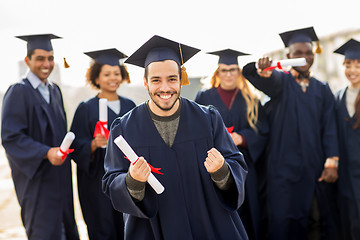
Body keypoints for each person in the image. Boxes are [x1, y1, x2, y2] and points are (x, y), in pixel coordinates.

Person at [102, 35, 249, 240]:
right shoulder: (124, 129)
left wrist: (222, 171)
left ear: (181, 80)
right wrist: (132, 181)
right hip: (155, 230)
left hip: (209, 226)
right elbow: (111, 180)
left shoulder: (208, 119)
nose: (165, 88)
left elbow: (237, 165)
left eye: (172, 79)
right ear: (145, 82)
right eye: (156, 80)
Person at [242, 27, 340, 240]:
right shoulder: (282, 82)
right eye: (298, 53)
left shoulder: (322, 89)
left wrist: (332, 161)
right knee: (284, 226)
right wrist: (264, 71)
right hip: (283, 173)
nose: (304, 57)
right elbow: (267, 79)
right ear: (288, 56)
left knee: (316, 224)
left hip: (315, 170)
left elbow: (330, 127)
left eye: (309, 52)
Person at [1, 34, 79, 239]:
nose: (47, 64)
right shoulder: (18, 92)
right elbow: (11, 137)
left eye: (51, 58)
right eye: (40, 58)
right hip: (38, 183)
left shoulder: (54, 91)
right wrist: (46, 152)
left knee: (66, 229)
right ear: (28, 60)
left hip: (60, 179)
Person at [194, 49, 269, 240]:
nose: (228, 74)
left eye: (233, 69)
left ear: (239, 72)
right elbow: (194, 130)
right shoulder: (203, 97)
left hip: (245, 169)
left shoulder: (251, 99)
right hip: (213, 168)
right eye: (224, 70)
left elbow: (263, 131)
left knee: (248, 215)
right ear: (217, 73)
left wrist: (242, 138)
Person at [70, 48, 136, 239]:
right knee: (102, 228)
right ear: (96, 78)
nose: (112, 78)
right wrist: (92, 144)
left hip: (126, 178)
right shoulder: (86, 109)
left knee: (128, 227)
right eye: (106, 74)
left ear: (122, 76)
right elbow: (75, 144)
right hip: (96, 183)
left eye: (116, 73)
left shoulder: (130, 107)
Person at [333, 39, 360, 240]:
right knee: (350, 221)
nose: (352, 70)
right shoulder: (338, 96)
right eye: (348, 65)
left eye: (358, 65)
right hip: (347, 173)